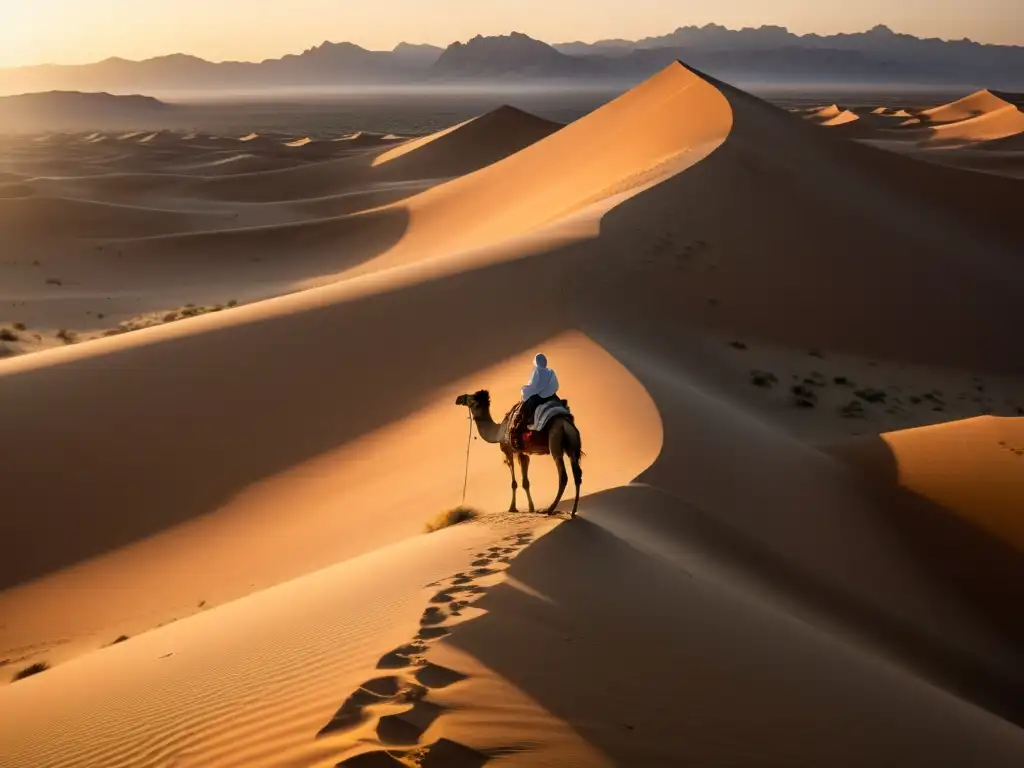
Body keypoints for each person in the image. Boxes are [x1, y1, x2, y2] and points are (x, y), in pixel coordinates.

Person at [511, 353, 559, 446]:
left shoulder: (537, 372)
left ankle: (519, 439)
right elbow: (555, 385)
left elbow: (534, 386)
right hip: (551, 396)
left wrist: (524, 389)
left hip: (538, 397)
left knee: (523, 412)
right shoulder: (551, 372)